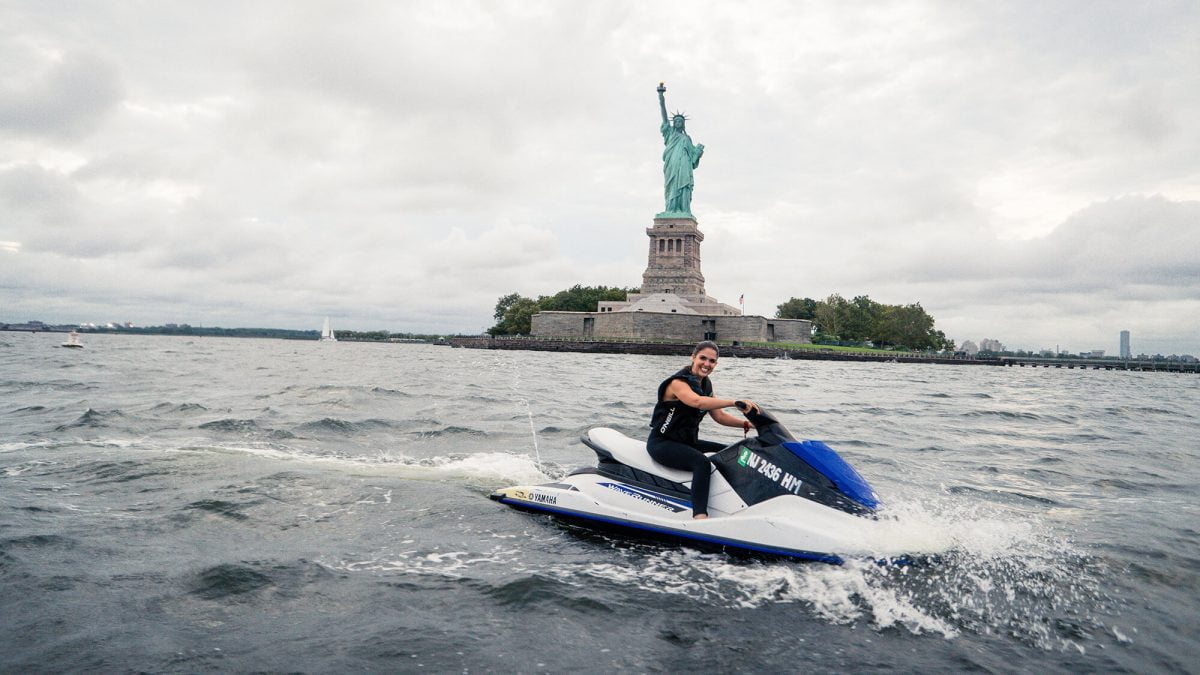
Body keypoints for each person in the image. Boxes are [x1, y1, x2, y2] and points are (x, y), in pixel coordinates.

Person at [647, 341, 758, 519]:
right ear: (693, 357)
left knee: (731, 453)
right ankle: (699, 516)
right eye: (703, 358)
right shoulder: (678, 383)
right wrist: (734, 402)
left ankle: (738, 502)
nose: (707, 364)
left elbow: (719, 416)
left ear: (716, 364)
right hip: (662, 443)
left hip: (687, 442)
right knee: (702, 463)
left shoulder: (706, 384)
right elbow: (697, 402)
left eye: (712, 361)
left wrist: (748, 425)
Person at [657, 83, 704, 216]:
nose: (677, 122)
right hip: (672, 164)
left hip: (684, 167)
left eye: (680, 121)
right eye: (676, 121)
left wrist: (698, 153)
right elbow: (664, 115)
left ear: (683, 124)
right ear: (673, 123)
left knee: (684, 186)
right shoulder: (670, 133)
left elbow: (693, 160)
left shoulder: (687, 139)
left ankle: (683, 210)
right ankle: (670, 209)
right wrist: (661, 96)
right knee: (671, 186)